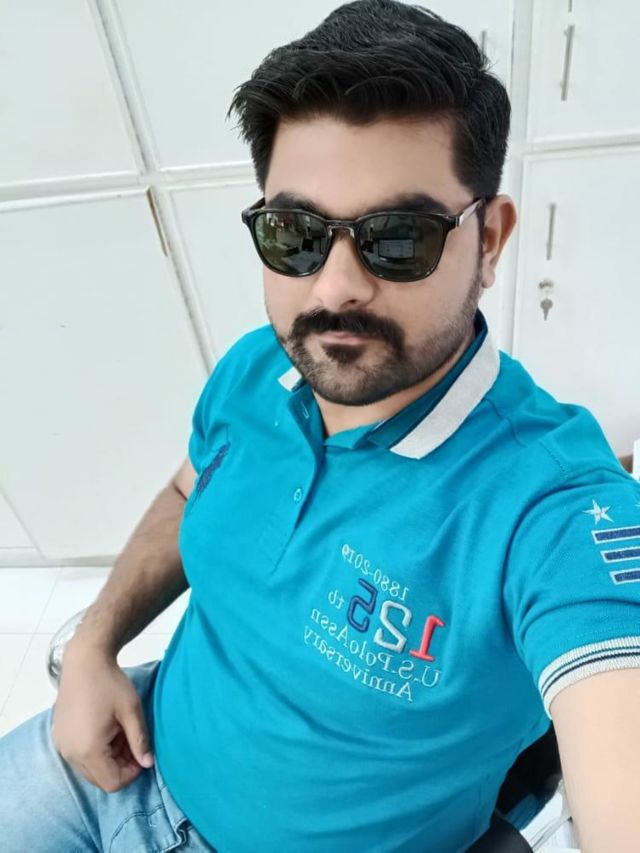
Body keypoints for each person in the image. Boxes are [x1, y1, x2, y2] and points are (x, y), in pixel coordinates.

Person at [1, 1, 639, 851]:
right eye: (295, 233)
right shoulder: (258, 367)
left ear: (489, 240)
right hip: (123, 762)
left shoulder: (553, 506)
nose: (335, 288)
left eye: (399, 238)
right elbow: (189, 489)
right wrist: (93, 644)